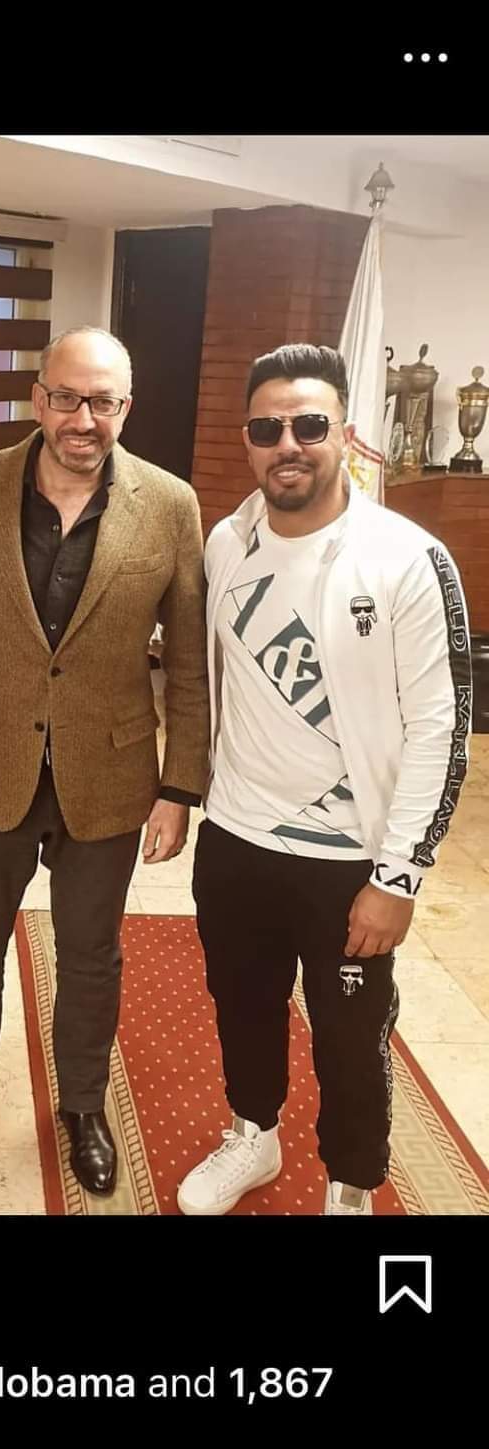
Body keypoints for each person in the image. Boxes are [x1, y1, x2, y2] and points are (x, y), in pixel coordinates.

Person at [178, 344, 471, 1218]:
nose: (288, 445)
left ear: (345, 431)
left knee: (349, 1038)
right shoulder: (227, 542)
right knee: (243, 1005)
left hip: (349, 860)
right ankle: (253, 1133)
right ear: (248, 439)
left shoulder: (407, 559)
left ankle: (351, 1183)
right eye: (268, 428)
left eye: (309, 424)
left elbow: (441, 730)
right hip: (236, 839)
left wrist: (398, 878)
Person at [0, 327, 209, 1200]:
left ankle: (83, 1104)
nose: (83, 419)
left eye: (103, 401)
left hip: (110, 772)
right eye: (67, 397)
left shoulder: (171, 505)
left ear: (128, 406)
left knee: (91, 957)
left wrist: (180, 786)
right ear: (38, 396)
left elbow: (189, 660)